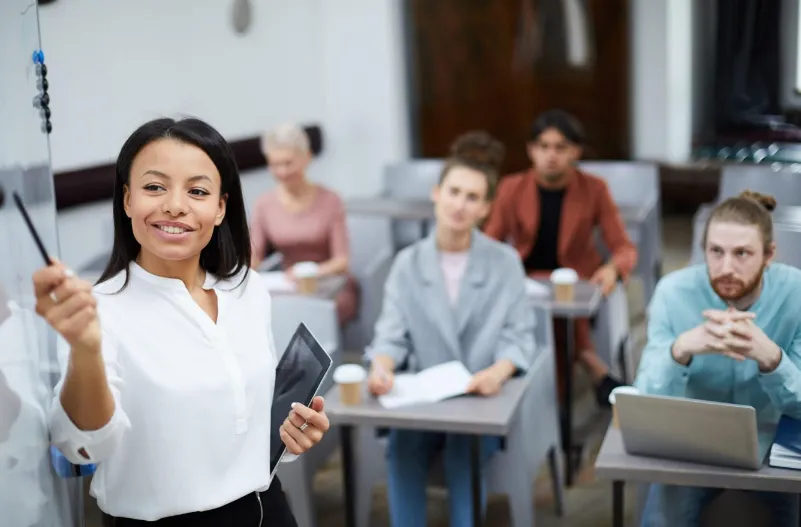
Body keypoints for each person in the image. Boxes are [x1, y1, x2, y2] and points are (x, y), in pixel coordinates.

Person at [32, 118, 330, 526]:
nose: (175, 205)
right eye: (154, 187)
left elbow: (248, 415)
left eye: (198, 191)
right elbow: (82, 447)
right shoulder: (99, 308)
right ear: (127, 199)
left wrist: (291, 438)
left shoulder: (246, 289)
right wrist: (85, 349)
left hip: (267, 510)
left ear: (221, 207)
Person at [365, 131, 536, 527]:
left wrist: (496, 374)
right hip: (422, 402)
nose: (460, 205)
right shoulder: (407, 263)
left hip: (480, 401)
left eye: (473, 197)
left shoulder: (505, 262)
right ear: (436, 193)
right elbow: (390, 334)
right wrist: (383, 367)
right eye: (454, 191)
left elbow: (518, 336)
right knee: (402, 447)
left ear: (486, 208)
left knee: (465, 451)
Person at [634, 190, 801, 526]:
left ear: (769, 254)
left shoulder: (796, 293)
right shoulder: (673, 291)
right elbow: (646, 398)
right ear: (703, 250)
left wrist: (771, 358)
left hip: (772, 443)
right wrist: (680, 350)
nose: (726, 267)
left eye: (742, 253)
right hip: (693, 445)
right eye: (716, 252)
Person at [483, 109, 637, 406]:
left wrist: (612, 268)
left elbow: (623, 247)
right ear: (531, 150)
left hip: (574, 283)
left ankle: (552, 404)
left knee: (559, 313)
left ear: (575, 151)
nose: (551, 155)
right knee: (545, 313)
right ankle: (593, 368)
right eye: (543, 147)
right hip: (526, 281)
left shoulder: (594, 189)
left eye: (560, 147)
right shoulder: (511, 188)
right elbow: (490, 243)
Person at [249, 123, 359, 325]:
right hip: (288, 286)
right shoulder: (264, 204)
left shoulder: (331, 200)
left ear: (307, 157)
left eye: (288, 163)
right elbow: (254, 256)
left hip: (330, 283)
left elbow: (341, 262)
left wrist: (308, 273)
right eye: (275, 164)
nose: (282, 171)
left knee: (311, 315)